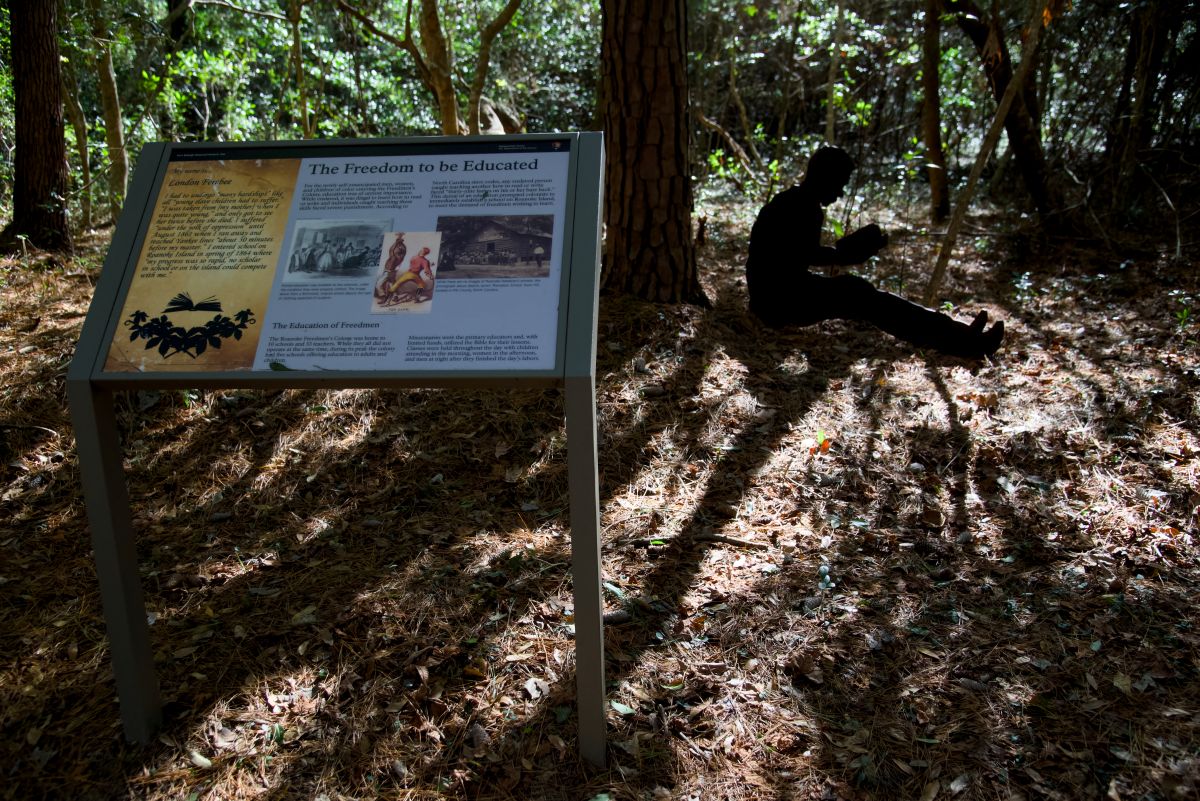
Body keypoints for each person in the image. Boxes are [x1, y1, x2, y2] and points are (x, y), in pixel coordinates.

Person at [746, 146, 1004, 359]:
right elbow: (796, 257)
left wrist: (843, 253)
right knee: (865, 297)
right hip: (776, 301)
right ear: (824, 176)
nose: (840, 193)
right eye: (839, 184)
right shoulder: (800, 206)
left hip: (774, 295)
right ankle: (965, 342)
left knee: (862, 294)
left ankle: (962, 337)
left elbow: (794, 256)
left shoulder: (795, 202)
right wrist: (842, 254)